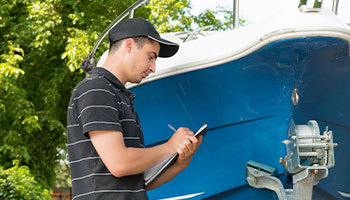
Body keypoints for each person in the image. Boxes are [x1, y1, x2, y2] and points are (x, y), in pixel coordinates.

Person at [67, 18, 202, 200]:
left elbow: (139, 184)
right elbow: (119, 163)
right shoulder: (96, 88)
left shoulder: (120, 96)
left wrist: (179, 163)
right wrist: (170, 146)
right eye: (151, 56)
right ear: (129, 45)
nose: (153, 67)